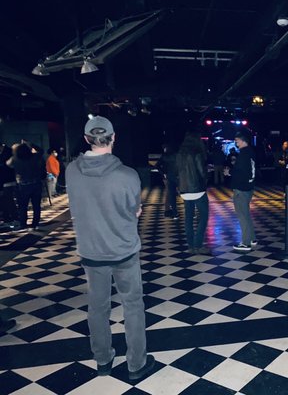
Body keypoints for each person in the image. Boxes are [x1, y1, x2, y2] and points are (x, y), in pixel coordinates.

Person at [66, 116, 154, 380]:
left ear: (86, 139)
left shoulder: (71, 170)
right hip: (123, 250)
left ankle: (103, 360)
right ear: (114, 138)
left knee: (97, 307)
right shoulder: (127, 175)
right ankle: (136, 364)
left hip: (91, 251)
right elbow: (133, 210)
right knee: (133, 305)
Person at [176, 131, 210, 254]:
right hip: (197, 189)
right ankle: (198, 244)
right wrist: (206, 181)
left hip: (184, 190)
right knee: (204, 216)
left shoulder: (180, 154)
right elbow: (202, 172)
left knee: (188, 218)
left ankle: (191, 245)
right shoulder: (197, 152)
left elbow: (177, 172)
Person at [225, 131, 257, 252]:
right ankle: (252, 238)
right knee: (246, 214)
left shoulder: (243, 154)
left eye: (237, 140)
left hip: (241, 189)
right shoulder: (250, 152)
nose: (236, 142)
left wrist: (229, 172)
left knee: (242, 215)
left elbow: (241, 172)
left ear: (243, 141)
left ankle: (245, 243)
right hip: (249, 187)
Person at [6, 141, 45, 231]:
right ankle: (35, 223)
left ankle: (23, 223)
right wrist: (31, 144)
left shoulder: (15, 159)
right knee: (36, 206)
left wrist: (14, 154)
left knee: (23, 206)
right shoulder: (34, 157)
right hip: (36, 184)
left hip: (23, 185)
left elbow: (7, 164)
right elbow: (41, 151)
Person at [156, 144, 179, 219]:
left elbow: (157, 165)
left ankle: (174, 212)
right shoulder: (177, 155)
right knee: (183, 194)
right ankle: (190, 213)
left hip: (169, 177)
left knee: (171, 195)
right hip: (178, 176)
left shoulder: (165, 156)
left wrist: (164, 173)